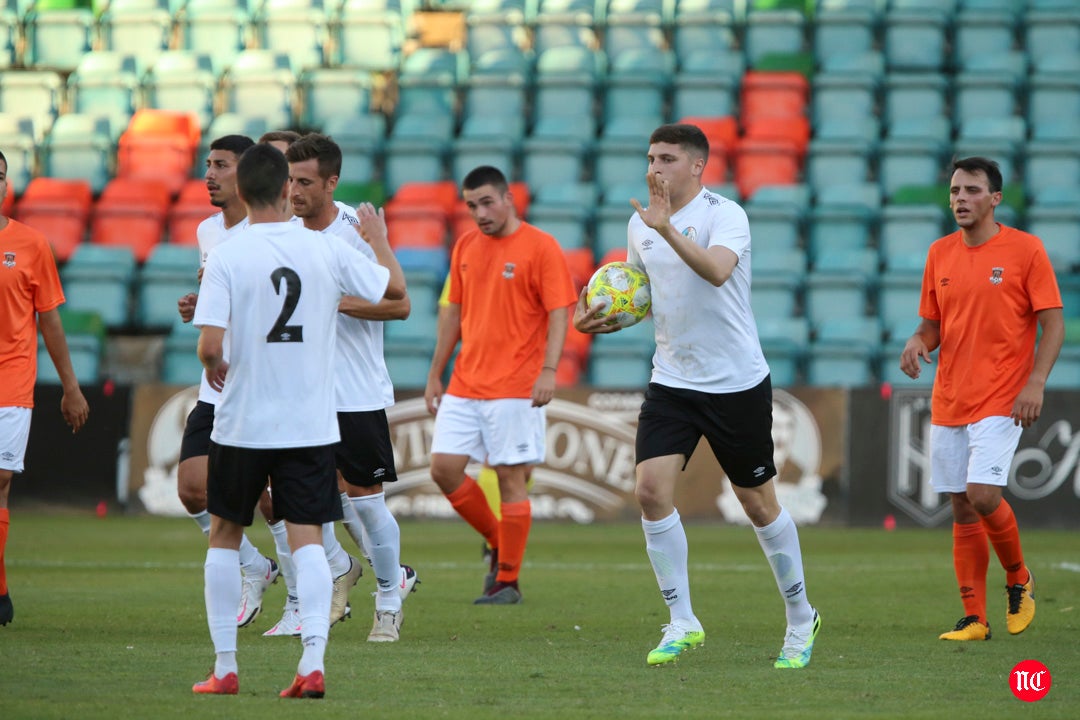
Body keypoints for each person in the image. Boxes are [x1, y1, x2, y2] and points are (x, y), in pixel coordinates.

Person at [573, 123, 820, 668]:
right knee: (650, 491)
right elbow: (635, 290)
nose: (653, 168)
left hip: (735, 383)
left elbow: (714, 272)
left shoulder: (725, 215)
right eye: (649, 157)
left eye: (665, 158)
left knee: (758, 505)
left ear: (696, 166)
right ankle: (682, 620)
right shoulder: (642, 222)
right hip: (673, 381)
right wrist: (601, 315)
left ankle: (801, 618)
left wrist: (666, 229)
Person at [191, 143, 405, 697]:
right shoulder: (323, 250)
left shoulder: (227, 255)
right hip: (309, 421)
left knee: (224, 533)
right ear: (288, 188)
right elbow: (395, 292)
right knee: (310, 538)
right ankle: (312, 662)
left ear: (242, 192)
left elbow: (209, 346)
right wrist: (379, 240)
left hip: (243, 420)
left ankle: (225, 667)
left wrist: (217, 366)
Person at [899, 156, 1063, 642]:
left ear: (995, 199)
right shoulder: (940, 253)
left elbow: (1052, 322)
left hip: (1003, 395)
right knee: (961, 505)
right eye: (954, 191)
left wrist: (1035, 383)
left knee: (983, 494)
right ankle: (974, 618)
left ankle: (1018, 576)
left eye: (972, 191)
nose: (960, 200)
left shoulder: (1026, 250)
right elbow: (933, 325)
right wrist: (916, 342)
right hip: (950, 395)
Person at [284, 132, 417, 642]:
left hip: (352, 388)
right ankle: (330, 587)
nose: (294, 191)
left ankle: (389, 598)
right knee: (295, 498)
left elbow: (399, 304)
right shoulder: (283, 232)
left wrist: (334, 301)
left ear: (331, 183)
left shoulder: (354, 232)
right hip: (299, 389)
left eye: (304, 182)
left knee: (364, 500)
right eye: (290, 180)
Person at [424, 165, 577, 605]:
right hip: (466, 381)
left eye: (487, 202)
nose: (479, 213)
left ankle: (507, 581)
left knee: (510, 476)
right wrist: (436, 372)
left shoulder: (540, 246)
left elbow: (559, 312)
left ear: (509, 199)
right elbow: (452, 311)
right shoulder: (466, 246)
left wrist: (549, 370)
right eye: (472, 205)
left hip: (515, 385)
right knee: (443, 469)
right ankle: (498, 540)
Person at [176, 134, 281, 628]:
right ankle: (255, 567)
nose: (209, 174)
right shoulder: (206, 231)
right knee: (193, 488)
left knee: (273, 497)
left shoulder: (276, 232)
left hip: (259, 382)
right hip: (215, 383)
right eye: (207, 165)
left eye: (220, 165)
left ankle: (311, 591)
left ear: (246, 172)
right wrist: (200, 310)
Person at [0, 149, 90, 627]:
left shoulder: (31, 244)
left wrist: (71, 388)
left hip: (11, 379)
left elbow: (50, 321)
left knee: (0, 480)